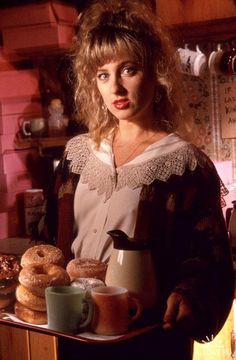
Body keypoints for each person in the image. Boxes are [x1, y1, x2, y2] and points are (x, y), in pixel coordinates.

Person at [41, 1, 234, 359]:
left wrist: (187, 294)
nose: (115, 87)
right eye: (102, 74)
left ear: (155, 70)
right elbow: (49, 239)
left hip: (148, 340)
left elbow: (211, 261)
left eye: (128, 69)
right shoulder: (77, 155)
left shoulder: (185, 165)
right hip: (77, 337)